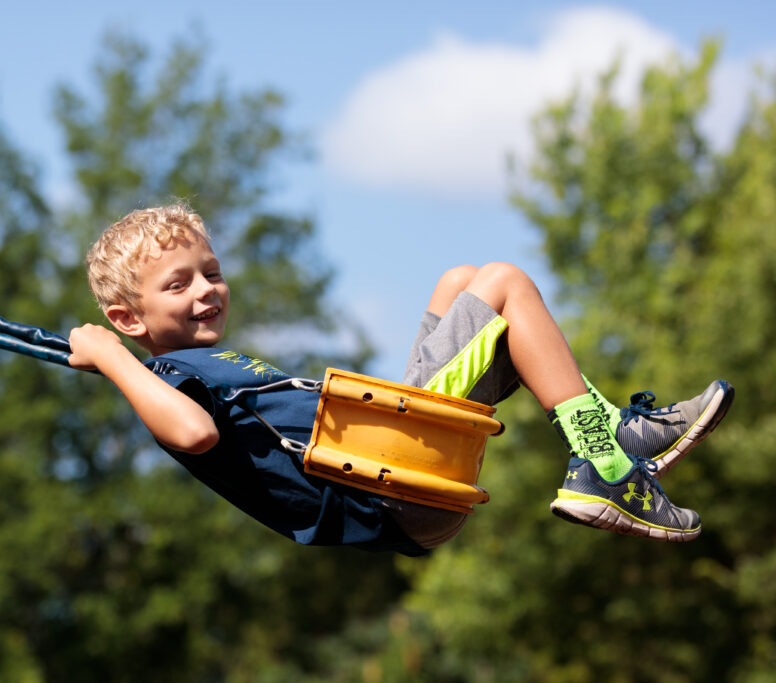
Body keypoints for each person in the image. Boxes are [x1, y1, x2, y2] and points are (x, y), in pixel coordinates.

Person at [67, 203, 733, 556]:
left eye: (210, 272)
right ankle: (606, 452)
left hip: (397, 472)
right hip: (392, 491)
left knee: (461, 282)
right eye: (177, 284)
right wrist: (112, 358)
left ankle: (611, 435)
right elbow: (192, 430)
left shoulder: (199, 366)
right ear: (129, 318)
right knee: (502, 283)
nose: (206, 290)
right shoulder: (170, 376)